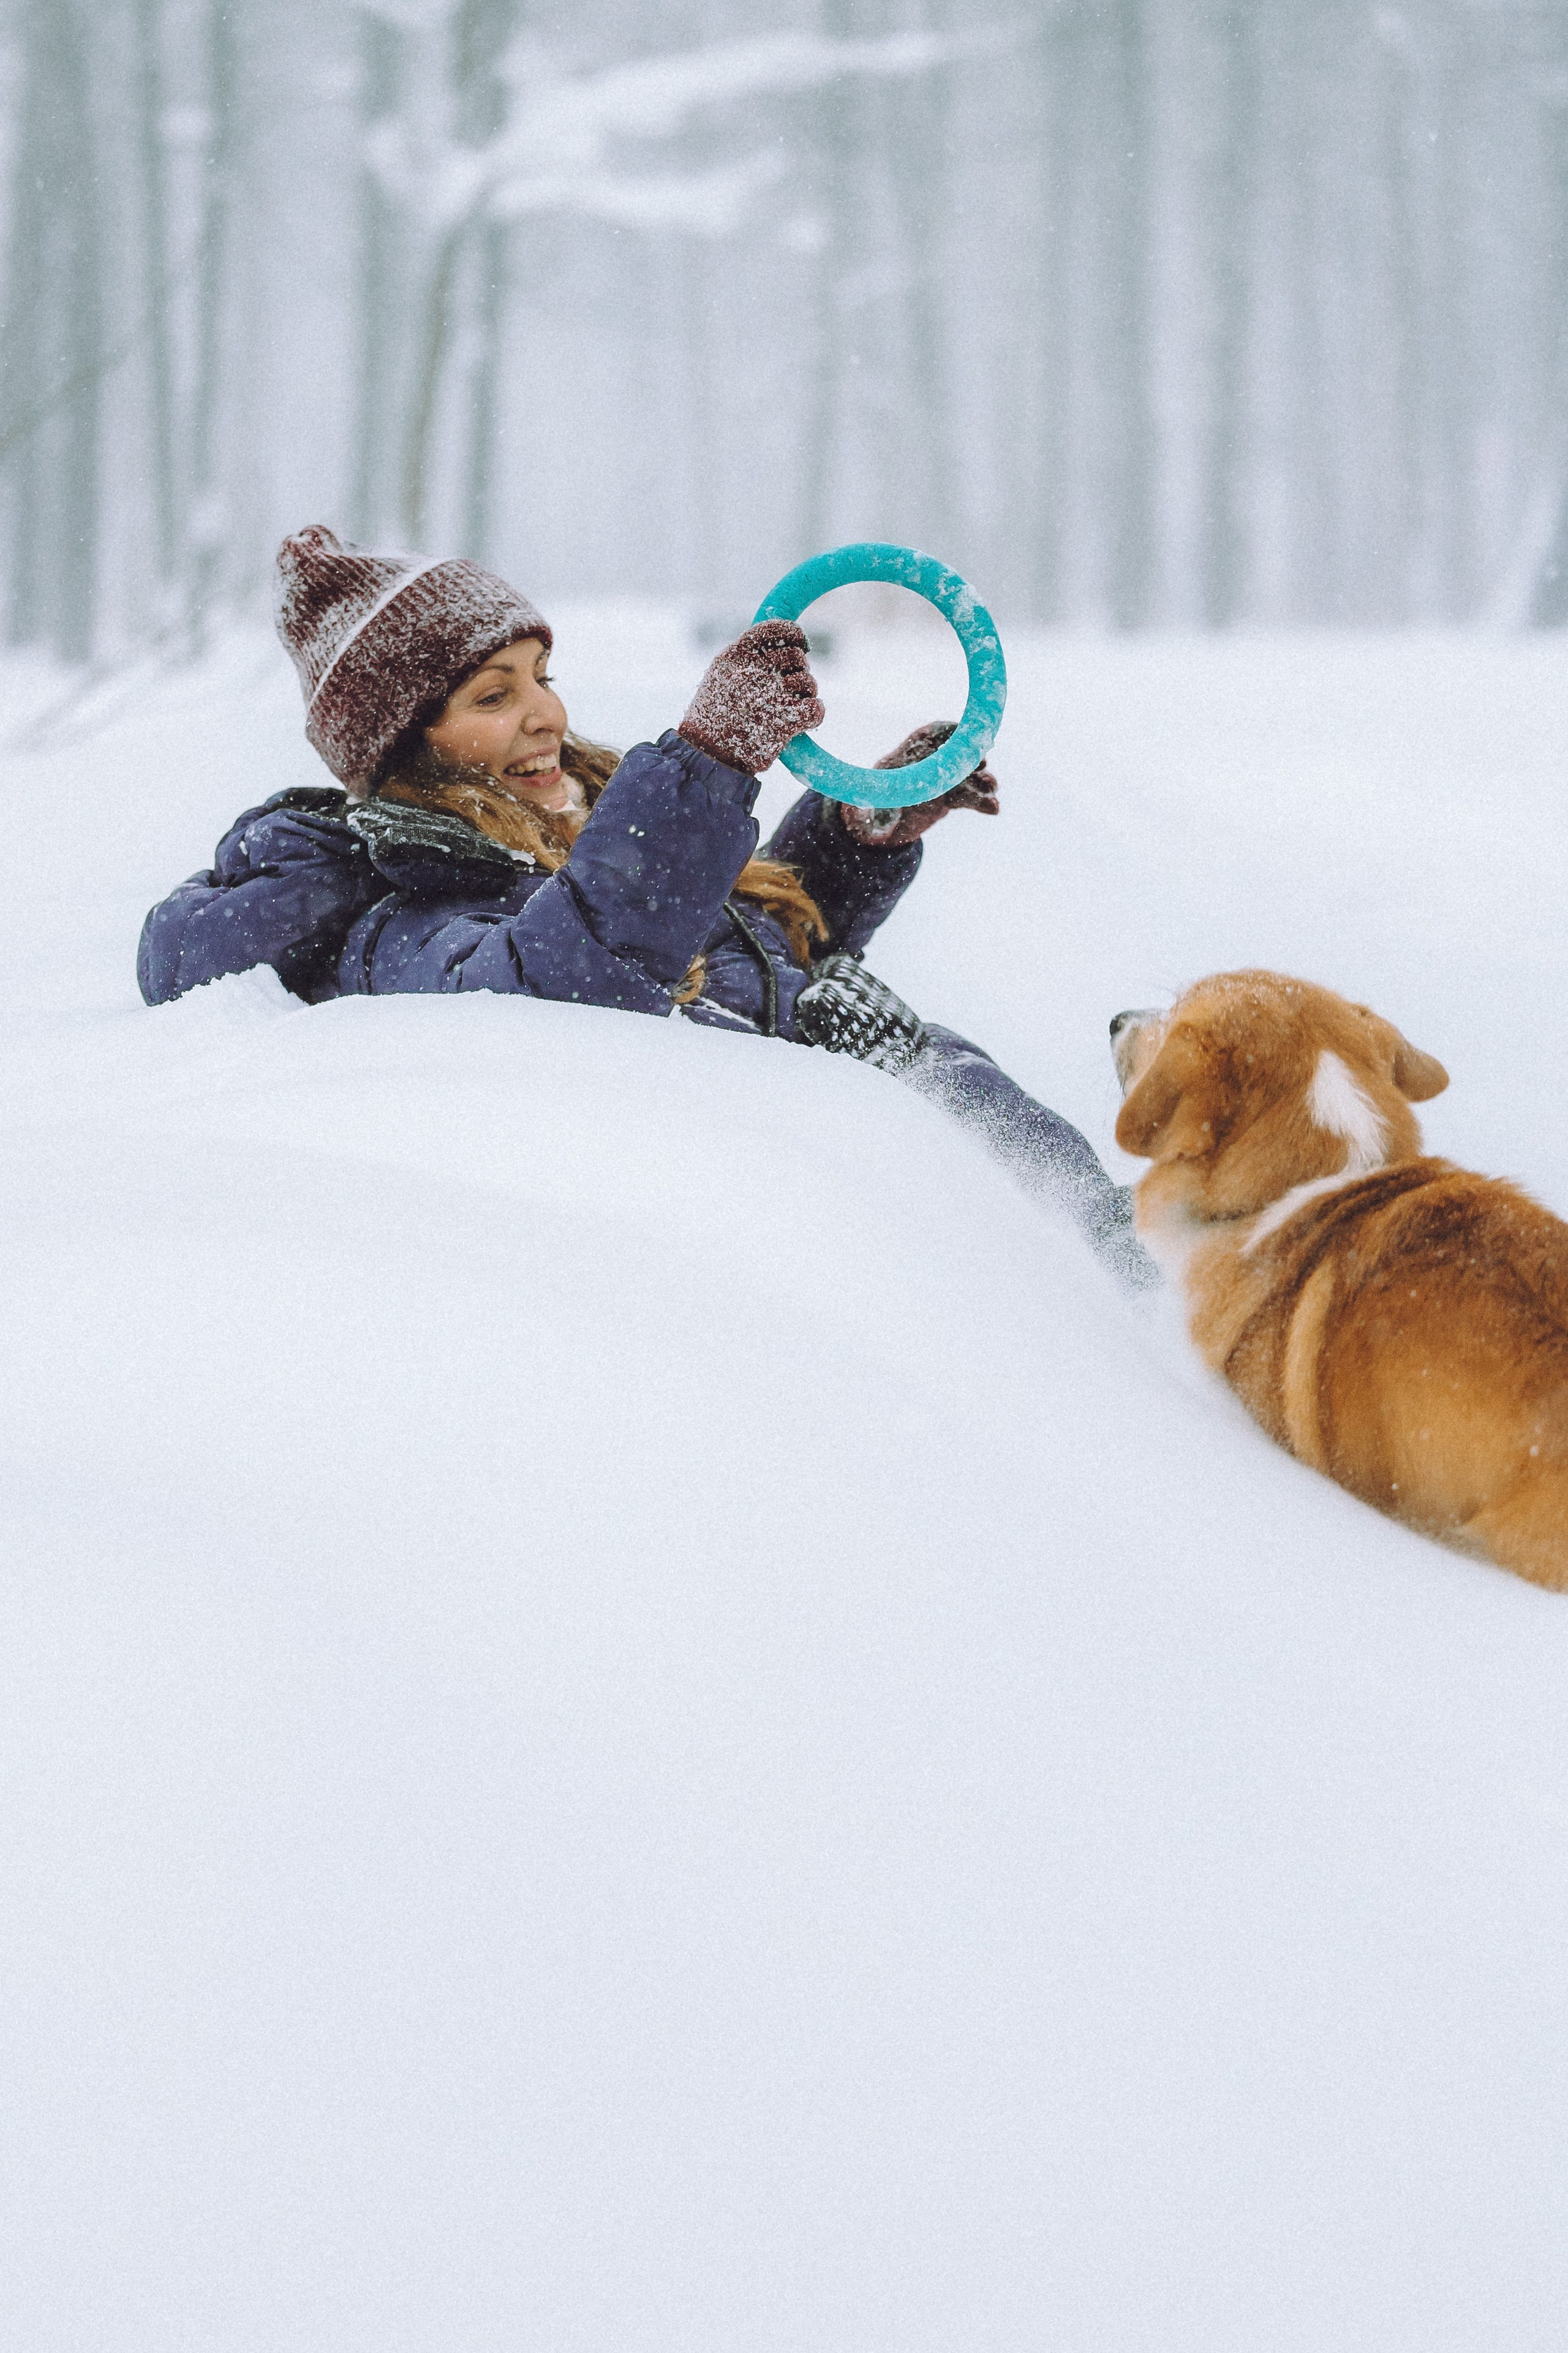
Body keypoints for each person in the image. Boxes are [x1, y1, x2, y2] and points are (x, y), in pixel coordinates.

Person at [139, 527, 1152, 1285]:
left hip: (1011, 1201)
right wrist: (706, 766)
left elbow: (715, 946)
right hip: (820, 1257)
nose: (546, 711)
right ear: (408, 745)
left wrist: (852, 835)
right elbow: (568, 986)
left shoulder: (583, 807)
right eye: (494, 696)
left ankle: (1147, 1267)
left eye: (542, 675)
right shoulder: (401, 910)